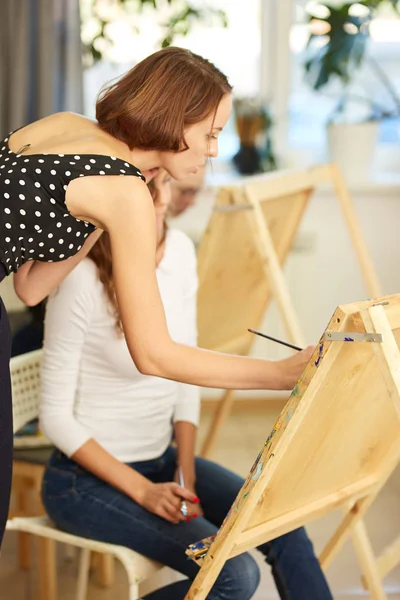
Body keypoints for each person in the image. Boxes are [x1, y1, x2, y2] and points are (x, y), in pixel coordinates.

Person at [0, 46, 314, 549]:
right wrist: (279, 374)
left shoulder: (67, 126)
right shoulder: (122, 193)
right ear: (173, 118)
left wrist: (110, 216)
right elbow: (153, 354)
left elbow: (29, 285)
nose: (214, 150)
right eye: (210, 133)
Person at [40, 171, 332, 600]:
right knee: (234, 575)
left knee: (280, 522)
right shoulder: (79, 278)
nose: (157, 202)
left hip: (161, 459)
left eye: (161, 191)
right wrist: (143, 490)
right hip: (83, 483)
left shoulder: (178, 251)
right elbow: (55, 418)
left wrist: (185, 472)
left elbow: (186, 372)